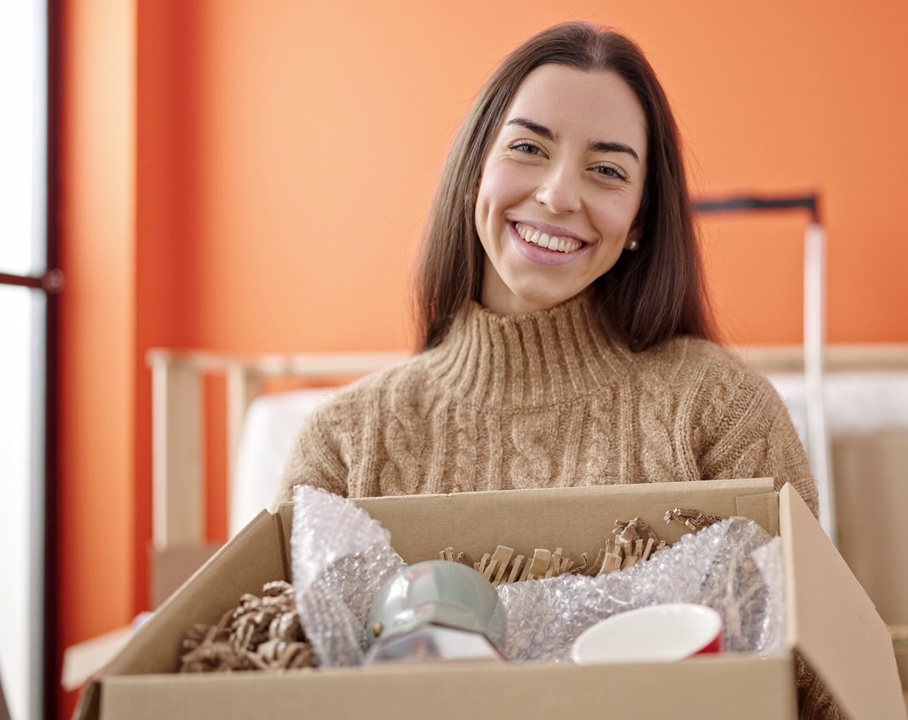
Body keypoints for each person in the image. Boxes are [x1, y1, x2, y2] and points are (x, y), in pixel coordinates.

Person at [280, 21, 840, 720]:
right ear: (474, 170)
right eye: (528, 149)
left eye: (606, 170)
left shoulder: (722, 412)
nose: (557, 195)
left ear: (639, 217)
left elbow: (813, 689)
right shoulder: (342, 444)